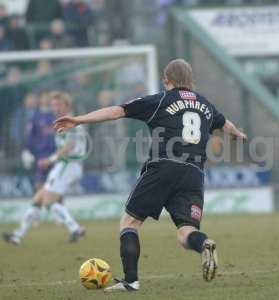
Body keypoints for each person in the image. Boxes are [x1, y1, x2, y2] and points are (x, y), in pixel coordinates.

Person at [54, 59, 247, 292]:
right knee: (186, 232)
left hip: (163, 167)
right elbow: (225, 124)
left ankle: (131, 280)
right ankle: (204, 244)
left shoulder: (160, 100)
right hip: (194, 174)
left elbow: (117, 112)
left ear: (166, 80)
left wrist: (78, 119)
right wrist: (238, 134)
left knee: (130, 223)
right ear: (190, 80)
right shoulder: (205, 104)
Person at [3, 91, 86, 245]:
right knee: (37, 200)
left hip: (68, 165)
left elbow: (70, 145)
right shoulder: (62, 121)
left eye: (58, 105)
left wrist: (50, 159)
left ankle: (75, 228)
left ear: (66, 106)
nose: (55, 108)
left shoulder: (71, 121)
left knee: (48, 202)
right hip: (63, 166)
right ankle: (18, 235)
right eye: (53, 105)